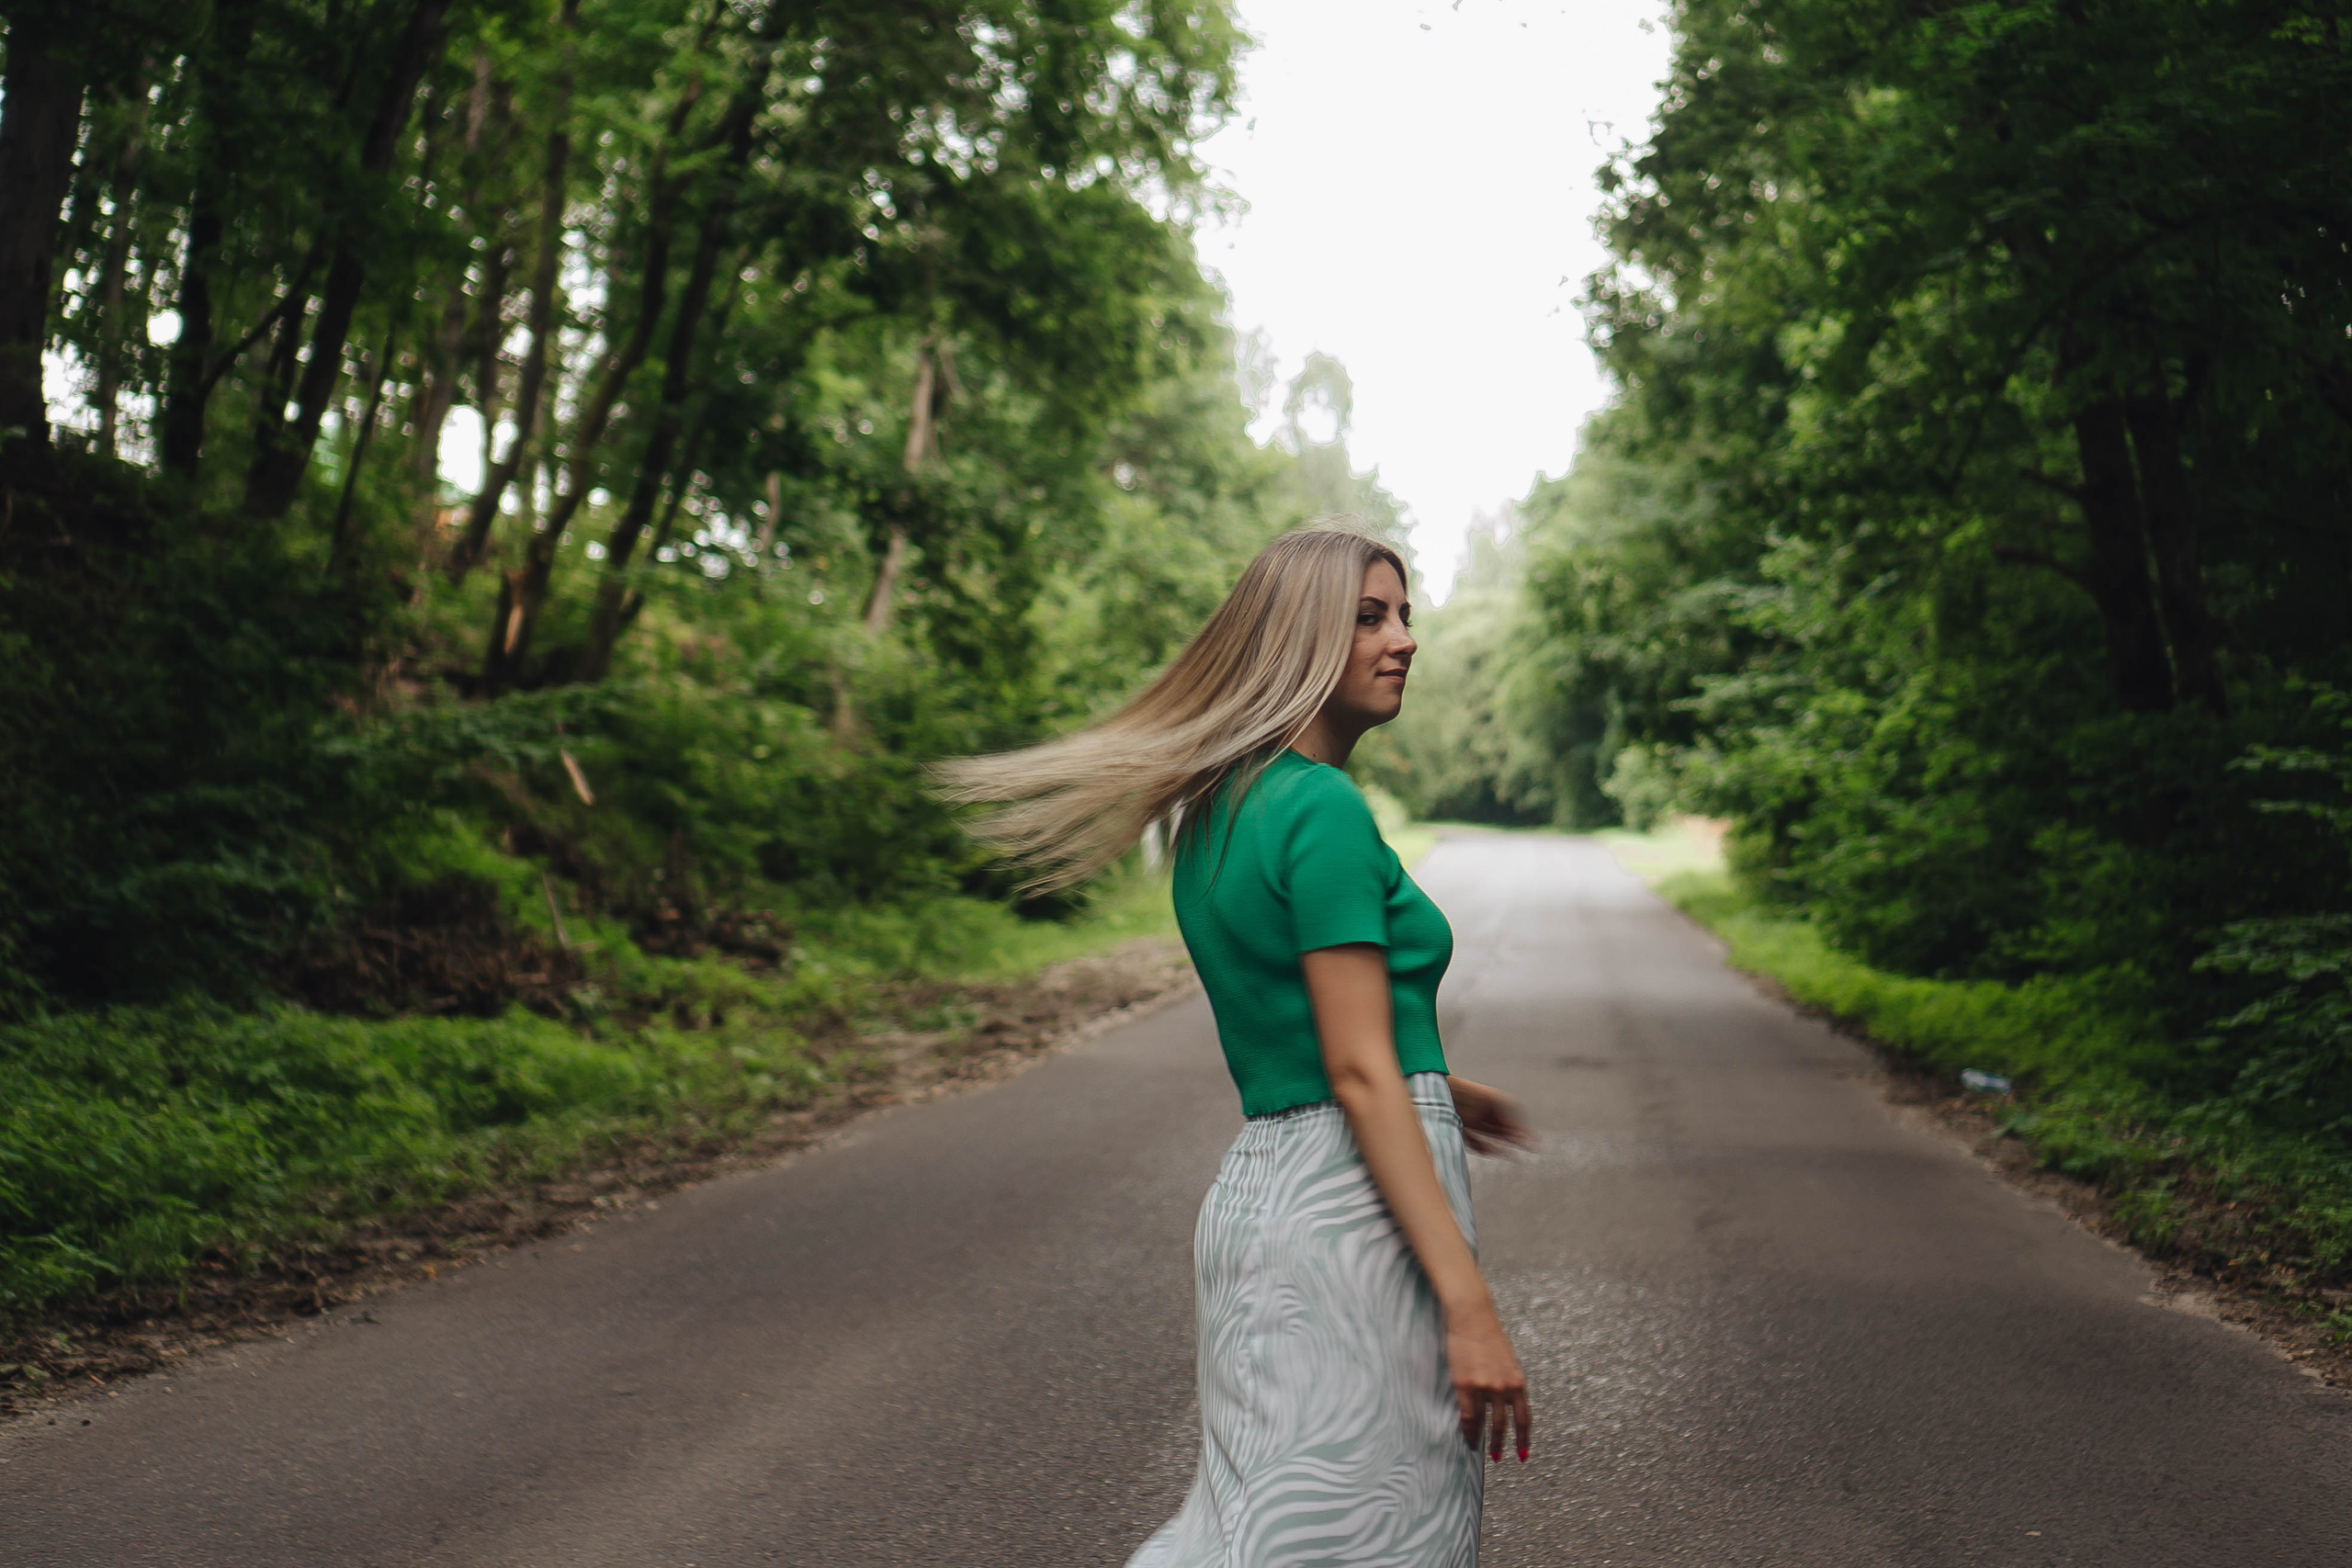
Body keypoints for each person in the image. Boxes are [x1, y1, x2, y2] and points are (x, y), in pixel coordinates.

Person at [937, 523, 1533, 1566]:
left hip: (1265, 1202)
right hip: (1351, 1219)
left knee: (1259, 1529)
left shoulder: (1217, 813)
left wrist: (1444, 1084)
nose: (1402, 640)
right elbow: (1353, 1071)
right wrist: (1468, 1307)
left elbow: (1305, 1028)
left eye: (1404, 615)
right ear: (1300, 638)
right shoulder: (1324, 812)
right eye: (1367, 618)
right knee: (1377, 1540)